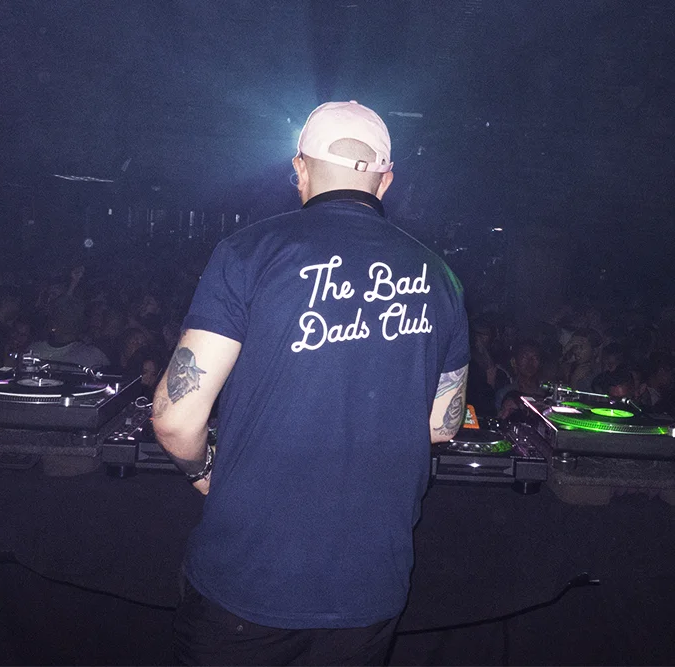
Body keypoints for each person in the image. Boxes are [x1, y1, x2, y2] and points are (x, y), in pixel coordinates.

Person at [152, 100, 470, 666]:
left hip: (247, 580)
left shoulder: (247, 254)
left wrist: (204, 472)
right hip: (370, 587)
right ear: (385, 180)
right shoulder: (439, 276)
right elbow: (441, 427)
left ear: (299, 168)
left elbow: (176, 417)